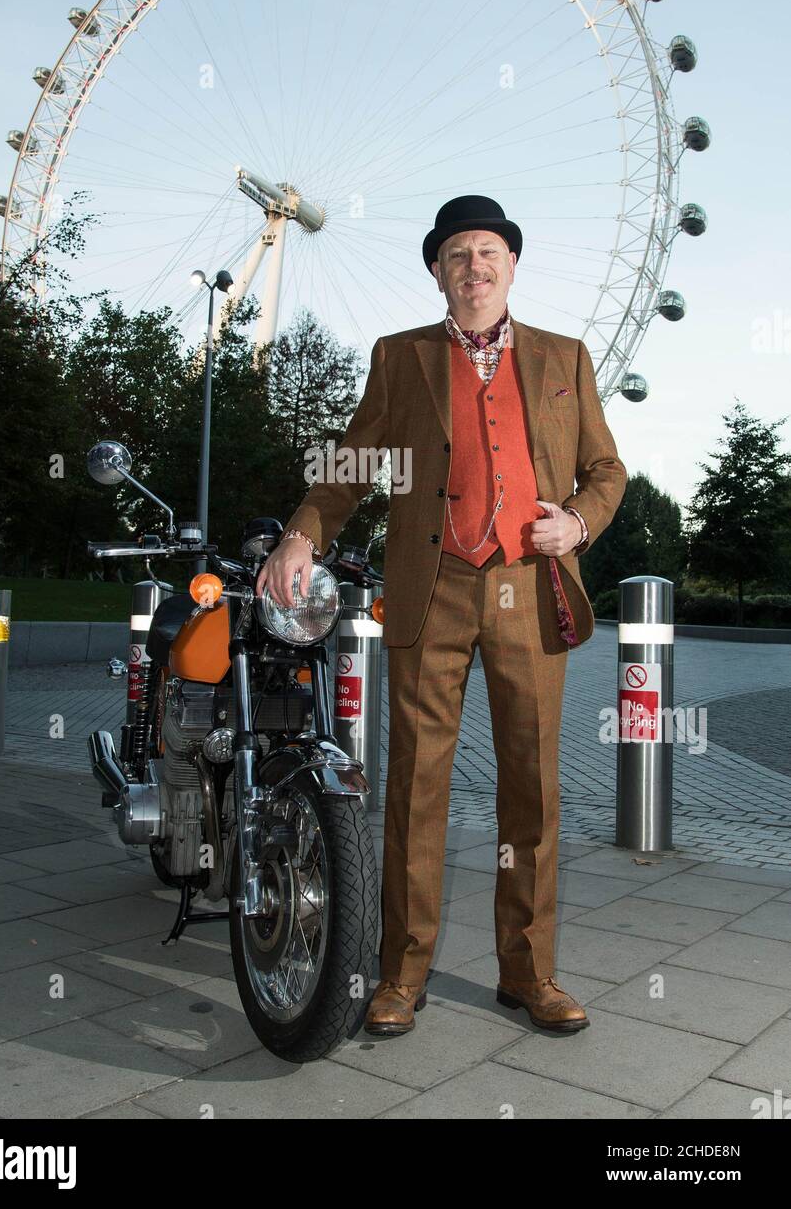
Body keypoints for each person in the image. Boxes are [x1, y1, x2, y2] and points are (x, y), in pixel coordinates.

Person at [256, 195, 627, 1038]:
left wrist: (576, 521)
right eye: (458, 253)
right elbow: (349, 464)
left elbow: (607, 470)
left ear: (512, 264)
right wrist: (299, 537)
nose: (475, 266)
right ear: (436, 270)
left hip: (530, 589)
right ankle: (400, 977)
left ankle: (530, 975)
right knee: (415, 788)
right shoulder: (401, 358)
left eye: (489, 251)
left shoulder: (566, 356)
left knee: (532, 792)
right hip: (433, 589)